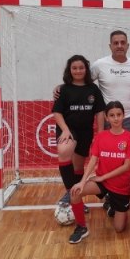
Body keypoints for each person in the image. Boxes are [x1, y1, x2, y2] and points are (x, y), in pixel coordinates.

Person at [67, 101, 130, 244]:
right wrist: (82, 182)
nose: (116, 118)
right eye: (112, 115)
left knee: (119, 228)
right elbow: (93, 160)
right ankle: (81, 227)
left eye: (119, 114)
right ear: (106, 118)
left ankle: (114, 204)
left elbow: (126, 167)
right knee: (75, 192)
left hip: (119, 185)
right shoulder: (101, 136)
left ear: (124, 116)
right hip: (102, 182)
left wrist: (102, 176)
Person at [52, 55, 105, 211]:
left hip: (85, 131)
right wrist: (66, 130)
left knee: (79, 166)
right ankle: (70, 193)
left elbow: (100, 111)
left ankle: (77, 199)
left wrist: (100, 133)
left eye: (81, 68)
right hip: (68, 129)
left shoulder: (93, 89)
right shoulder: (64, 89)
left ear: (86, 70)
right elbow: (57, 112)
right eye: (74, 68)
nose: (78, 71)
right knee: (64, 150)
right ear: (69, 70)